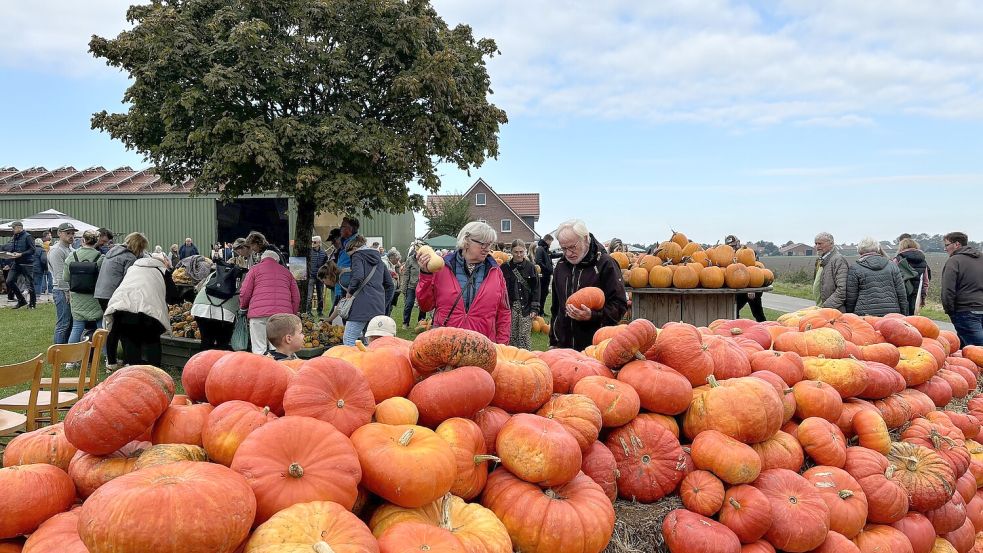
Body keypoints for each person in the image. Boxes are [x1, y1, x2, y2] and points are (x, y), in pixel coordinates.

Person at [416, 221, 511, 344]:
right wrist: (426, 275)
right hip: (445, 343)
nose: (487, 249)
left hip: (482, 345)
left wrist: (502, 345)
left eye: (489, 244)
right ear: (466, 241)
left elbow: (504, 312)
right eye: (482, 244)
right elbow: (425, 306)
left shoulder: (496, 272)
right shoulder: (442, 266)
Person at [549, 219, 627, 350]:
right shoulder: (561, 267)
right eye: (564, 248)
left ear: (585, 239)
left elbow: (619, 306)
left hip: (596, 348)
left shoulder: (605, 264)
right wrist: (554, 341)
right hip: (564, 348)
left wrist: (592, 316)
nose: (568, 253)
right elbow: (556, 309)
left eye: (572, 247)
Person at [104, 255, 177, 367]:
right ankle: (154, 372)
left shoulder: (132, 268)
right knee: (152, 341)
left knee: (131, 341)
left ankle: (132, 370)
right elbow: (173, 296)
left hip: (123, 306)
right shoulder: (163, 271)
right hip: (149, 310)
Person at [95, 232, 150, 370]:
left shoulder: (112, 252)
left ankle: (114, 360)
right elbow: (129, 279)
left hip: (101, 293)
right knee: (119, 328)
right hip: (114, 294)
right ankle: (118, 362)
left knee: (113, 327)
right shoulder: (129, 257)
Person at [238, 250, 300, 355]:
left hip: (258, 314)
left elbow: (244, 292)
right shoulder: (287, 272)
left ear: (262, 259)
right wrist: (291, 315)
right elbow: (296, 297)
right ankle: (280, 369)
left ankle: (261, 369)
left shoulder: (254, 270)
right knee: (279, 348)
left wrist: (243, 307)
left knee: (259, 349)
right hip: (282, 316)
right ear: (277, 260)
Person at [341, 235, 395, 346]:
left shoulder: (357, 256)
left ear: (354, 249)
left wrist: (349, 292)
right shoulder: (379, 261)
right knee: (369, 342)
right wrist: (383, 304)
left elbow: (358, 276)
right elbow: (390, 285)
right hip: (378, 307)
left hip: (361, 306)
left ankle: (352, 363)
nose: (350, 258)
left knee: (349, 338)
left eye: (349, 256)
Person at [844, 237, 907, 316]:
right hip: (891, 313)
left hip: (865, 315)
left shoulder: (855, 268)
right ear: (877, 248)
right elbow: (901, 293)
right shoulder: (892, 265)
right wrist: (904, 314)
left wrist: (850, 314)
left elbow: (851, 297)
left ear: (860, 250)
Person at [941, 232, 983, 347]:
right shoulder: (981, 259)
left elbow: (948, 289)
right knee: (964, 348)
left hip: (965, 310)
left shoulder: (954, 261)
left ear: (957, 244)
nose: (945, 249)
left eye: (946, 245)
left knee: (977, 350)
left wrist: (950, 311)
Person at [64, 230, 105, 343]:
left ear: (83, 240)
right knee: (101, 328)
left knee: (77, 327)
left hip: (77, 297)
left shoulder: (72, 256)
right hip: (95, 297)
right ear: (96, 242)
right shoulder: (101, 258)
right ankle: (107, 357)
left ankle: (71, 358)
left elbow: (66, 278)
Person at [191, 261, 241, 351]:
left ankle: (203, 363)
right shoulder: (240, 277)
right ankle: (218, 363)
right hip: (225, 312)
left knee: (206, 340)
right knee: (222, 342)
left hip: (201, 307)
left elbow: (198, 288)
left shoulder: (214, 274)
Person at [503, 239, 541, 349]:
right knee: (512, 335)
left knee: (524, 336)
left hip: (526, 306)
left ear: (525, 251)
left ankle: (525, 360)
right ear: (511, 252)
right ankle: (512, 360)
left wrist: (535, 308)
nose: (519, 254)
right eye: (516, 252)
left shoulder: (531, 267)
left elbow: (536, 289)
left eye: (521, 252)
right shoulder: (504, 268)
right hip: (510, 306)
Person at [725, 235, 766, 322]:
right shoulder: (729, 256)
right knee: (734, 310)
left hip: (753, 286)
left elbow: (755, 271)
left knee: (757, 312)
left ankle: (766, 329)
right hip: (740, 288)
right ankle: (736, 326)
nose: (732, 248)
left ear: (738, 243)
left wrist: (751, 289)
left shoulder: (749, 253)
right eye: (730, 247)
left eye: (734, 246)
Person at [48, 222, 76, 343]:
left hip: (69, 289)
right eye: (67, 233)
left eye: (72, 233)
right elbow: (59, 275)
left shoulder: (70, 249)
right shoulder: (56, 251)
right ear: (59, 233)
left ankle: (66, 351)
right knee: (63, 323)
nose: (71, 236)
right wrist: (66, 291)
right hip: (61, 290)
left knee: (70, 323)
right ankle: (59, 352)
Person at [2, 221, 37, 309]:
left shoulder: (28, 236)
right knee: (9, 281)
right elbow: (12, 248)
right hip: (16, 262)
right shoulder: (15, 237)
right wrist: (8, 255)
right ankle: (21, 300)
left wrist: (21, 254)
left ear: (19, 227)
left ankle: (32, 304)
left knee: (29, 284)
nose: (12, 230)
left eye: (13, 228)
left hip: (27, 263)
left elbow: (32, 250)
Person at [894, 237, 931, 316]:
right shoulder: (923, 260)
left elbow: (892, 278)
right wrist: (922, 297)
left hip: (901, 295)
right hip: (916, 295)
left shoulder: (898, 259)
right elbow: (925, 281)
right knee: (913, 321)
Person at [813, 232, 849, 311]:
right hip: (822, 309)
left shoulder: (838, 260)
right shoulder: (820, 260)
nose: (817, 247)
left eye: (820, 244)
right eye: (816, 244)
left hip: (833, 310)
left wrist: (826, 306)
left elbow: (842, 290)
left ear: (831, 243)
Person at [401, 240, 426, 328]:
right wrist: (404, 288)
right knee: (409, 304)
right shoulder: (410, 260)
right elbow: (406, 274)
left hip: (423, 287)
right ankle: (405, 322)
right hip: (411, 286)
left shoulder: (425, 259)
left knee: (423, 306)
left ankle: (421, 323)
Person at [534, 233, 562, 310]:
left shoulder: (545, 249)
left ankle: (542, 309)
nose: (551, 243)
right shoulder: (540, 249)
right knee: (542, 293)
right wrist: (547, 268)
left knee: (545, 293)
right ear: (547, 240)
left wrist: (562, 254)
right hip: (543, 275)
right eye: (551, 241)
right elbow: (538, 261)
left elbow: (552, 255)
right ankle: (539, 311)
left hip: (546, 275)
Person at [307, 235, 328, 316]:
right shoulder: (309, 252)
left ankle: (320, 311)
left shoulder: (323, 253)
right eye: (312, 242)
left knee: (320, 295)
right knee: (309, 296)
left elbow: (326, 264)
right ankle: (308, 312)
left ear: (319, 243)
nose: (313, 243)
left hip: (320, 277)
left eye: (314, 242)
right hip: (311, 276)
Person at [386, 248, 402, 317]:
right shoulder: (385, 263)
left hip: (392, 288)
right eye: (397, 260)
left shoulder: (392, 263)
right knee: (386, 306)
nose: (397, 262)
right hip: (386, 289)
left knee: (390, 306)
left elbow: (399, 266)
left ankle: (387, 318)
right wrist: (392, 275)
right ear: (391, 258)